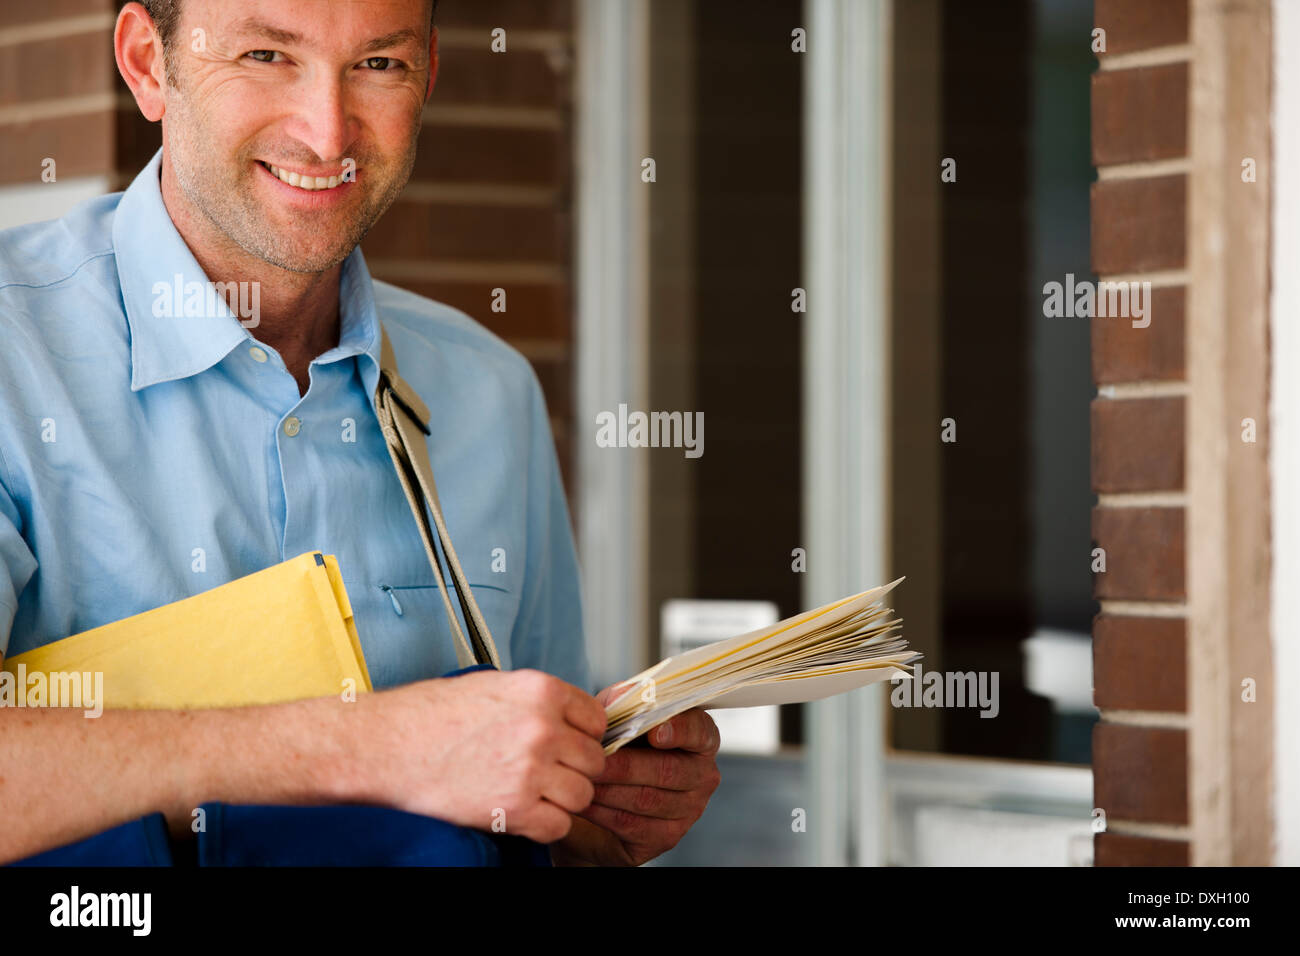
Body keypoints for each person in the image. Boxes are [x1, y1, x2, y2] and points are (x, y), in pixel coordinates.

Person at [0, 0, 720, 866]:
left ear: (429, 74)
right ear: (150, 64)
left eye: (380, 65)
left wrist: (600, 807)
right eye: (267, 54)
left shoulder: (489, 393)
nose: (327, 131)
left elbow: (542, 830)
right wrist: (372, 747)